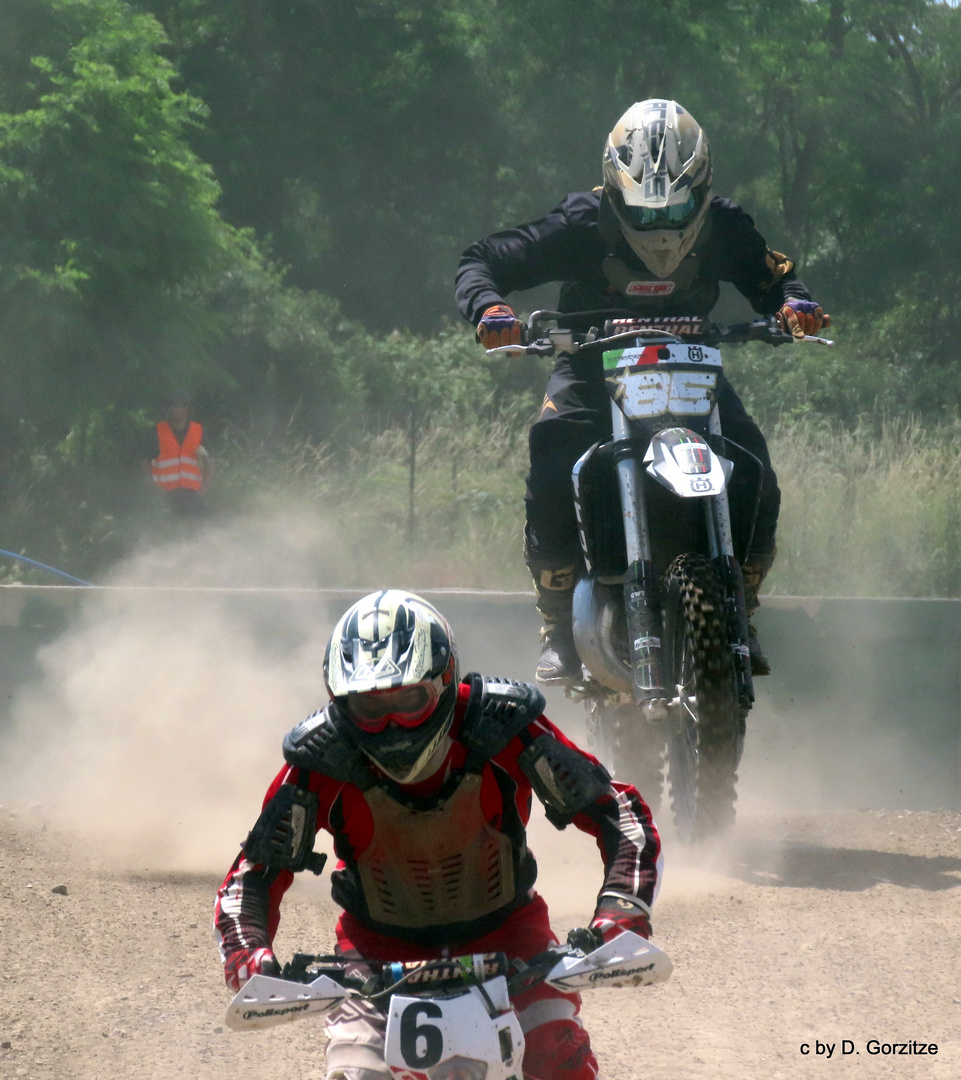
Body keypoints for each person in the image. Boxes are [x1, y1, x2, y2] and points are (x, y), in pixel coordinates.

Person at [455, 98, 831, 683]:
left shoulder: (727, 227)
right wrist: (492, 307)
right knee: (552, 447)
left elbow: (776, 279)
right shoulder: (580, 223)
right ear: (613, 187)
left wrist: (794, 307)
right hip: (587, 364)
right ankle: (557, 622)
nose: (661, 224)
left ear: (702, 190)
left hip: (692, 366)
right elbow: (483, 259)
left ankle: (741, 612)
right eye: (645, 209)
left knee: (755, 470)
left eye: (677, 207)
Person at [215, 589, 661, 1080]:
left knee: (558, 1061)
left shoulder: (502, 725)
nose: (391, 727)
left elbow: (615, 811)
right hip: (374, 961)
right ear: (340, 701)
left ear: (445, 680)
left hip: (512, 944)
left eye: (408, 700)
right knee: (354, 1074)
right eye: (369, 705)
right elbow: (254, 875)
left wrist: (622, 909)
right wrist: (250, 955)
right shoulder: (321, 758)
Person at [141, 390, 210, 519]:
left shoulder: (199, 431)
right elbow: (145, 464)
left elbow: (209, 463)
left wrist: (204, 488)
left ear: (186, 409)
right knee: (170, 535)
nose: (171, 409)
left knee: (197, 534)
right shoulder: (157, 431)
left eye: (175, 405)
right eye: (169, 406)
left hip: (193, 495)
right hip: (166, 495)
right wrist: (152, 487)